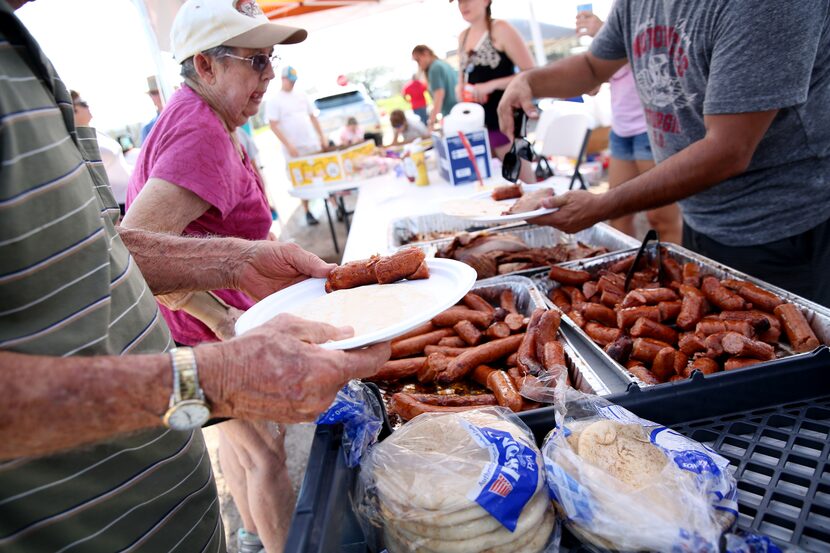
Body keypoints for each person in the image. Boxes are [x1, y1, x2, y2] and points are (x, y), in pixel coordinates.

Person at [0, 3, 390, 553]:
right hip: (199, 342)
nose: (270, 76)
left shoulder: (201, 117)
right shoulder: (201, 134)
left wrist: (235, 262)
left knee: (245, 457)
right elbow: (137, 243)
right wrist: (219, 320)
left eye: (270, 59)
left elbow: (114, 249)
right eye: (254, 61)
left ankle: (252, 537)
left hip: (196, 346)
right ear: (205, 66)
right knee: (265, 459)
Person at [498, 0, 830, 307]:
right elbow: (591, 66)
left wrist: (601, 205)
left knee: (793, 361)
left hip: (786, 228)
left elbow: (728, 149)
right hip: (703, 218)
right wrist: (528, 82)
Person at [575, 9, 681, 244]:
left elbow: (659, 57)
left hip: (653, 129)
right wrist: (596, 48)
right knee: (617, 217)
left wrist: (603, 33)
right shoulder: (620, 16)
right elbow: (591, 87)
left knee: (661, 218)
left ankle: (679, 276)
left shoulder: (648, 13)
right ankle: (626, 276)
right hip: (621, 132)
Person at [454, 0, 535, 170]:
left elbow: (530, 73)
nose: (463, 5)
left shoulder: (501, 29)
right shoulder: (463, 37)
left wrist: (492, 85)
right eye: (459, 1)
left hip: (504, 122)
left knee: (519, 178)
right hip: (475, 126)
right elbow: (462, 76)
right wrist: (460, 88)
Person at [266, 65, 328, 226]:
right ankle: (307, 211)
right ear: (283, 79)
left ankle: (333, 205)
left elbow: (313, 117)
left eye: (294, 81)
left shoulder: (301, 95)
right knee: (301, 179)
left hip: (310, 143)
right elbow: (273, 125)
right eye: (290, 81)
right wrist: (289, 145)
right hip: (293, 148)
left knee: (321, 174)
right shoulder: (275, 100)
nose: (292, 84)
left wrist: (322, 137)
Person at [70, 89, 133, 215]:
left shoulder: (96, 132)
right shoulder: (77, 142)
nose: (88, 106)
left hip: (131, 195)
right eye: (83, 103)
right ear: (73, 110)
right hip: (119, 205)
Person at [411, 45, 458, 128]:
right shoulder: (443, 63)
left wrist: (431, 122)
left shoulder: (434, 68)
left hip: (451, 115)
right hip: (458, 110)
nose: (418, 64)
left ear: (425, 53)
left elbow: (439, 96)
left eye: (418, 60)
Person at [140, 75, 164, 143]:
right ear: (151, 96)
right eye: (154, 93)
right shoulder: (148, 129)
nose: (159, 96)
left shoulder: (183, 115)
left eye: (161, 91)